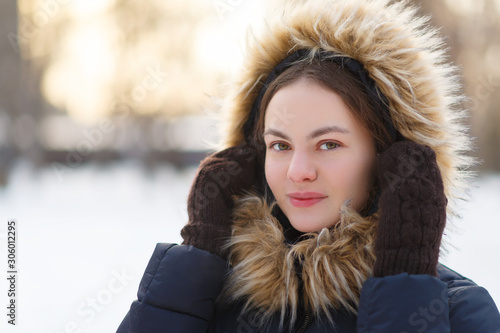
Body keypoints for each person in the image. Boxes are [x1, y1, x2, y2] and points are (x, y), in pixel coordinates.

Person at [117, 0, 500, 332]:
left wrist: (404, 281)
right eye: (280, 145)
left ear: (392, 159)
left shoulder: (455, 310)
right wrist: (198, 257)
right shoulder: (210, 297)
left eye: (328, 144)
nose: (298, 171)